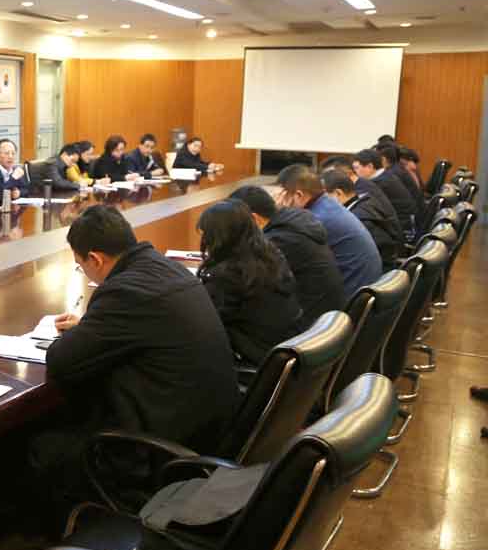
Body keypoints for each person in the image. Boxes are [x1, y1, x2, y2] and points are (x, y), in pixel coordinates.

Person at [31, 206, 238, 505]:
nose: (83, 271)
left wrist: (89, 329)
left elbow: (61, 361)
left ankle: (71, 528)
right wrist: (93, 326)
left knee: (42, 447)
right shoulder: (165, 268)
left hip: (162, 456)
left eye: (80, 265)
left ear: (96, 259)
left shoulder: (124, 291)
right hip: (210, 433)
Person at [196, 200, 302, 366]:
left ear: (218, 237)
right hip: (284, 349)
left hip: (256, 360)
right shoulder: (271, 256)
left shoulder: (228, 275)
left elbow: (204, 322)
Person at [228, 186, 345, 330]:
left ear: (254, 219)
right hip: (327, 319)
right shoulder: (293, 223)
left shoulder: (279, 240)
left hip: (311, 327)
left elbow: (241, 278)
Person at [275, 165, 381, 299]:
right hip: (363, 289)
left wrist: (276, 214)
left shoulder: (315, 220)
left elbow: (279, 258)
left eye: (282, 195)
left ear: (298, 195)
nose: (279, 201)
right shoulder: (327, 205)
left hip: (349, 296)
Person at [320, 169, 402, 271]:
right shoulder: (366, 202)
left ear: (338, 193)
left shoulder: (355, 219)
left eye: (323, 196)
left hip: (379, 273)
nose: (322, 202)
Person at [353, 148, 418, 239]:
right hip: (404, 225)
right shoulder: (386, 176)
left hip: (402, 231)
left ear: (370, 166)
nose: (354, 172)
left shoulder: (378, 183)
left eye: (356, 168)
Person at [378, 143, 425, 212]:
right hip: (416, 208)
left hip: (413, 212)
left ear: (384, 159)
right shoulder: (398, 169)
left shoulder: (393, 173)